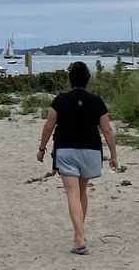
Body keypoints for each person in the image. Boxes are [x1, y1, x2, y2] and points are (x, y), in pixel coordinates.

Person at [37, 61, 117, 255]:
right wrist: (113, 155)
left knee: (72, 193)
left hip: (66, 150)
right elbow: (106, 129)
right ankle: (78, 234)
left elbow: (49, 126)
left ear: (70, 79)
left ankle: (79, 238)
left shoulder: (60, 100)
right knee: (81, 192)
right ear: (87, 80)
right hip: (91, 151)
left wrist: (42, 148)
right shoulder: (96, 101)